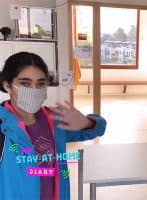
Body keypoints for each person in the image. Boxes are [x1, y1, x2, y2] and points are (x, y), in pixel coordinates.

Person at [0, 52, 107, 200]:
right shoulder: (3, 127)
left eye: (41, 83)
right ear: (8, 85)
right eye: (25, 83)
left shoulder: (54, 120)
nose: (34, 90)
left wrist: (87, 122)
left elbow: (99, 129)